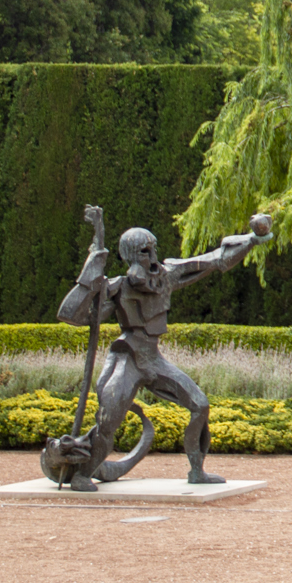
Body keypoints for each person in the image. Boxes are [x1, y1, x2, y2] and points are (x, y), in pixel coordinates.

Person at [56, 205, 272, 490]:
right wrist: (93, 267)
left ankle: (197, 471)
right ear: (130, 257)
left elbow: (214, 259)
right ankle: (84, 473)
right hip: (128, 359)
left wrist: (251, 240)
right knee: (108, 420)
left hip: (154, 360)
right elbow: (71, 315)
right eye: (145, 253)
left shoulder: (166, 277)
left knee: (200, 405)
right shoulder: (118, 287)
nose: (153, 259)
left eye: (153, 250)